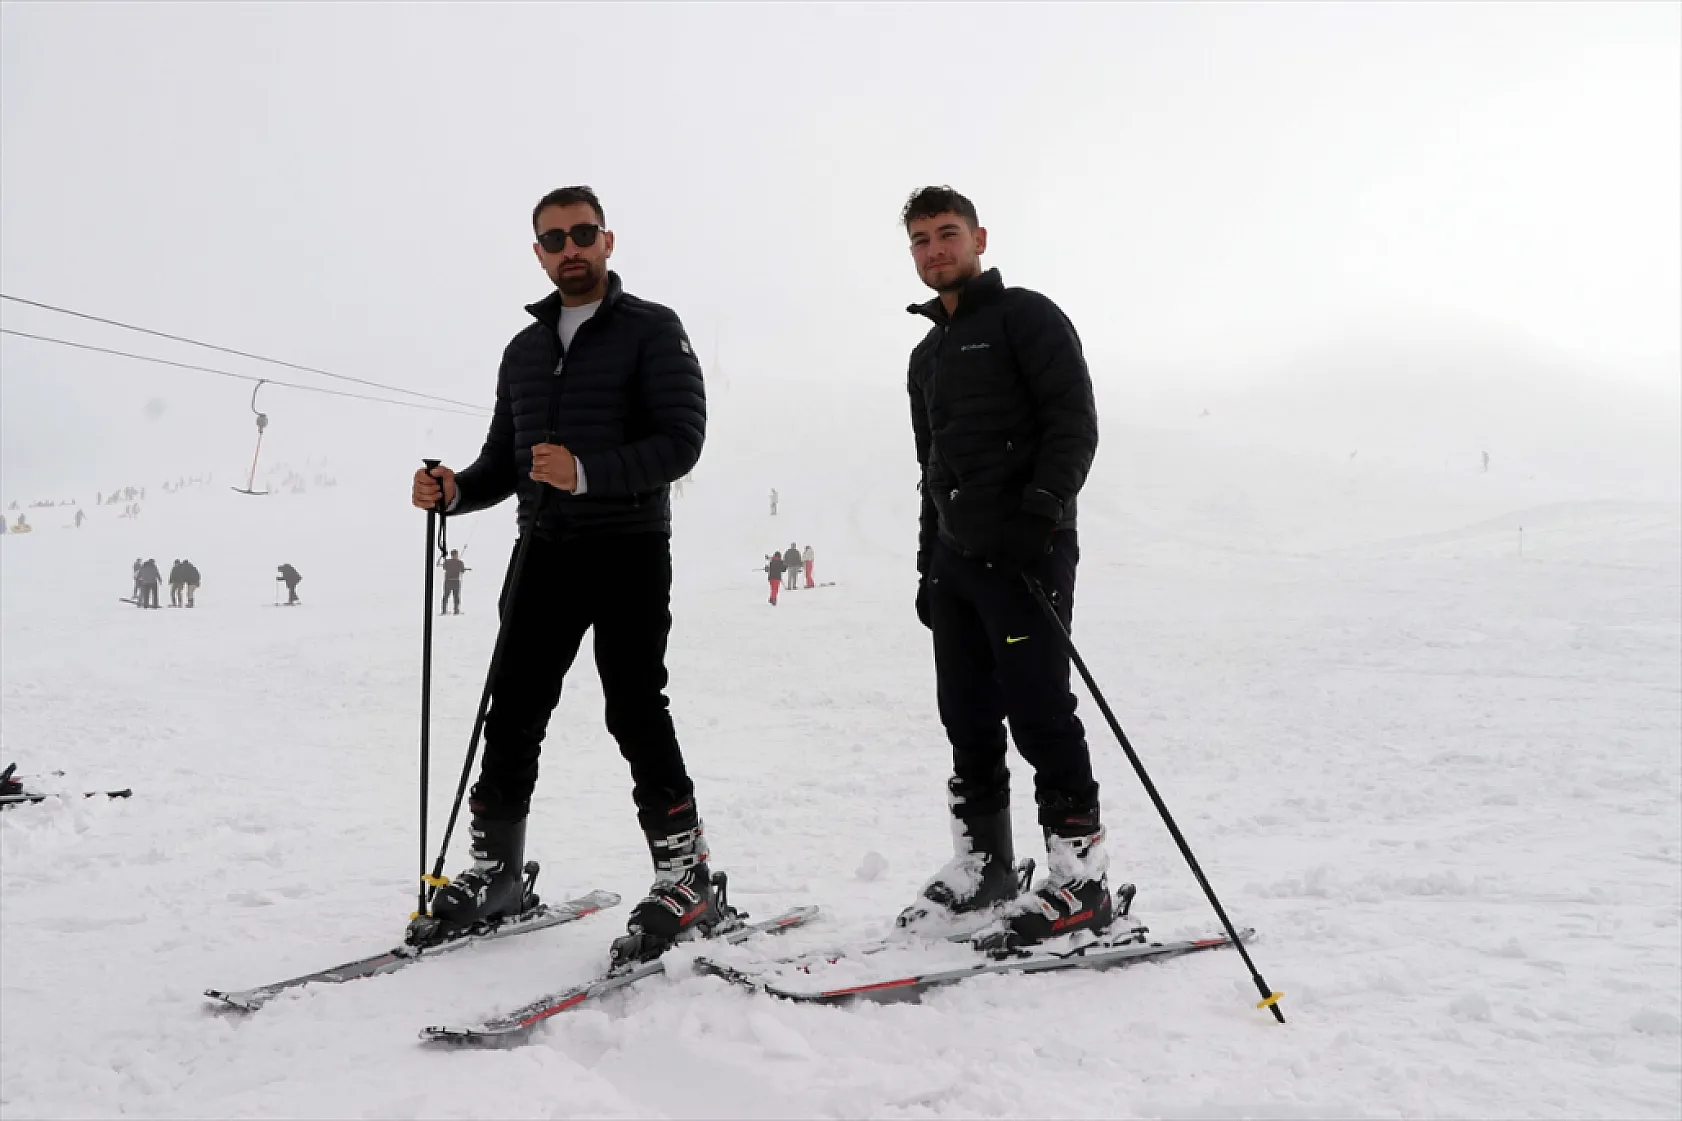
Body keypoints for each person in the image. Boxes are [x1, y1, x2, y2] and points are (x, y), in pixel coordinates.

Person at [409, 185, 711, 964]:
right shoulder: (524, 350)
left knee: (635, 706)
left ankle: (688, 872)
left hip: (628, 546)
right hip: (542, 549)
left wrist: (585, 472)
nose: (569, 248)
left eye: (582, 233)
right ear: (538, 254)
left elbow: (681, 441)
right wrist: (456, 490)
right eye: (554, 239)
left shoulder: (653, 329)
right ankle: (497, 872)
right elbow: (506, 463)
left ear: (608, 241)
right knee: (511, 711)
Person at [897, 186, 1109, 948]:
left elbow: (1073, 421)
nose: (934, 250)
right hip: (957, 565)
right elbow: (931, 467)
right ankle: (984, 866)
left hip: (1026, 552)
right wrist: (929, 564)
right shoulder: (927, 355)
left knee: (1039, 710)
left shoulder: (1028, 317)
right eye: (920, 240)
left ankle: (1081, 881)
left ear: (979, 236)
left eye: (946, 234)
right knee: (967, 715)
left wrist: (1039, 514)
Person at [439, 549, 469, 615]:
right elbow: (462, 571)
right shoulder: (460, 562)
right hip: (455, 581)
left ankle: (444, 611)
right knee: (456, 597)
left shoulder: (447, 562)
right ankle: (456, 611)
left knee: (446, 596)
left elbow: (444, 567)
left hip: (448, 581)